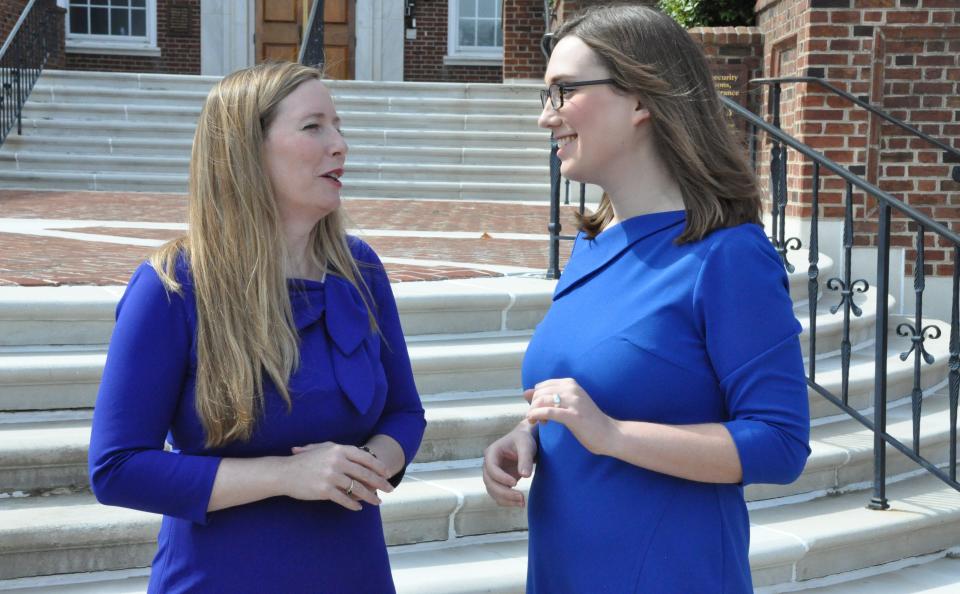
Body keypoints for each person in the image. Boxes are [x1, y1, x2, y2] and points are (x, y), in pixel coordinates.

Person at [482, 5, 810, 593]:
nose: (545, 118)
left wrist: (611, 435)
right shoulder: (590, 246)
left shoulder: (727, 257)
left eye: (564, 92)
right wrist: (532, 433)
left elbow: (781, 443)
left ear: (641, 100)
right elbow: (605, 392)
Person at [88, 61, 426, 593]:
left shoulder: (360, 269)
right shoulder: (173, 285)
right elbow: (117, 467)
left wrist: (364, 464)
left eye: (338, 125)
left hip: (353, 573)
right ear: (248, 150)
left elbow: (405, 412)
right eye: (314, 126)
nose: (339, 144)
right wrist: (286, 476)